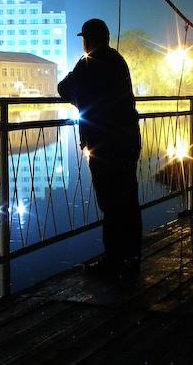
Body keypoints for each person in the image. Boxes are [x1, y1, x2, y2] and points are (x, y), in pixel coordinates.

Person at [57, 18, 142, 274]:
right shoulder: (118, 60)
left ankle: (114, 261)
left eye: (84, 38)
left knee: (110, 202)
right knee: (128, 199)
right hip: (128, 139)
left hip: (104, 145)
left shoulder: (87, 64)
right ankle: (132, 254)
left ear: (88, 40)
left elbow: (64, 88)